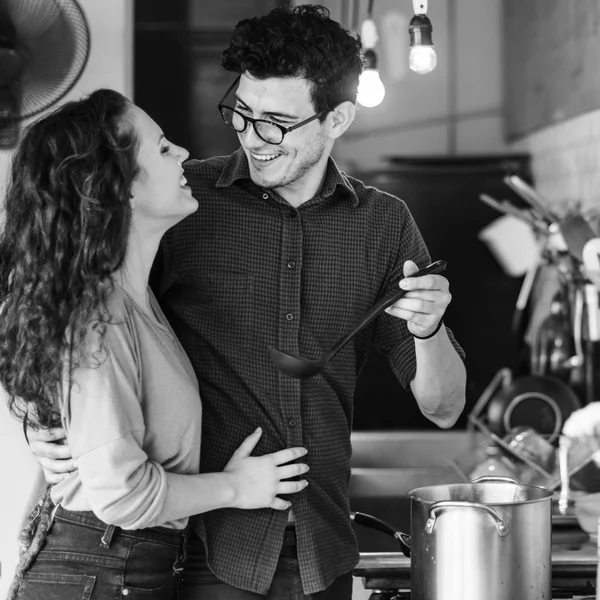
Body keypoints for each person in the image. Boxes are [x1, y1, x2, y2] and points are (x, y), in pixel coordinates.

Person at [28, 5, 467, 599]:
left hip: (324, 548)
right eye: (242, 112)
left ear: (337, 118)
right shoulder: (183, 205)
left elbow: (443, 407)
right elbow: (64, 305)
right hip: (202, 550)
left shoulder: (384, 225)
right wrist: (40, 422)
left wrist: (429, 327)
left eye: (277, 123)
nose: (253, 137)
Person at [0, 88, 309, 600]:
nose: (184, 154)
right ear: (120, 189)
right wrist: (236, 487)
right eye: (163, 148)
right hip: (101, 568)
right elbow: (121, 495)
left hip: (115, 565)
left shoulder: (134, 300)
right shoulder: (101, 313)